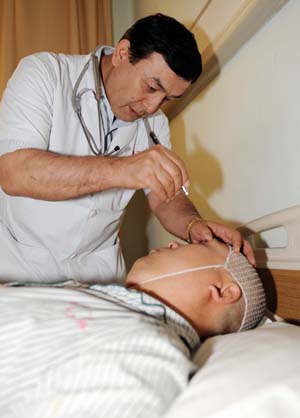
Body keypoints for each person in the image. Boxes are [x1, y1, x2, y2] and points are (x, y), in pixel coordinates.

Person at [0, 13, 255, 285]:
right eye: (152, 87)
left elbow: (165, 197)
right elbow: (15, 172)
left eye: (167, 98)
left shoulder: (155, 124)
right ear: (123, 52)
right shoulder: (45, 73)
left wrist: (193, 225)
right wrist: (124, 170)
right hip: (20, 263)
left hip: (97, 274)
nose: (152, 107)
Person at [0, 238, 266, 418]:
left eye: (198, 245)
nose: (174, 244)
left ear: (223, 291)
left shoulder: (145, 351)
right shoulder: (109, 307)